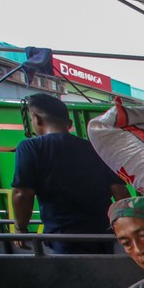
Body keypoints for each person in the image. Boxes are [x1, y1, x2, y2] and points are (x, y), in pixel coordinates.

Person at [11, 93, 130, 254]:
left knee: (72, 270)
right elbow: (119, 191)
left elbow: (22, 193)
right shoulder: (95, 148)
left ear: (36, 119)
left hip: (63, 236)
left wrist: (20, 228)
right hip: (102, 234)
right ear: (70, 123)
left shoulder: (31, 147)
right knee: (103, 268)